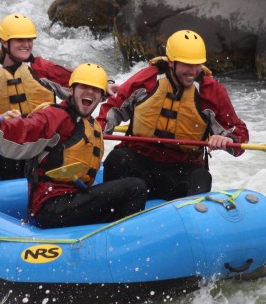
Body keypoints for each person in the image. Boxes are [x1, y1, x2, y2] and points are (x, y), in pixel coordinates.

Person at [0, 63, 147, 228]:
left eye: (95, 89)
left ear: (101, 97)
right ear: (71, 90)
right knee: (135, 187)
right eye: (83, 86)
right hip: (51, 206)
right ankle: (124, 241)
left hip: (73, 199)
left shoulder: (91, 124)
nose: (90, 92)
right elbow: (27, 129)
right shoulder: (56, 116)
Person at [97, 29, 249, 200]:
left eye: (197, 64)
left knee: (201, 177)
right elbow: (112, 110)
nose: (193, 71)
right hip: (140, 162)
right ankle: (111, 216)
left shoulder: (211, 92)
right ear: (171, 62)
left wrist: (229, 140)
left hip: (182, 169)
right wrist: (98, 131)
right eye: (187, 65)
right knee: (117, 159)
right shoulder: (147, 80)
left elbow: (239, 134)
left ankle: (187, 221)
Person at [0, 13, 72, 180]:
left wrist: (105, 86)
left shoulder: (41, 68)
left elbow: (79, 85)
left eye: (30, 40)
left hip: (43, 140)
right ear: (5, 42)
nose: (26, 45)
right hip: (8, 144)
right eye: (20, 40)